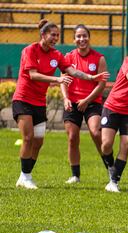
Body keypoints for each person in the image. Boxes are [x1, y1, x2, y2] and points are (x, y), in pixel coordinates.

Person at [13, 19, 109, 189]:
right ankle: (25, 176)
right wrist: (57, 79)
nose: (55, 38)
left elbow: (70, 71)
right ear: (43, 34)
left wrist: (90, 77)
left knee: (38, 142)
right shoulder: (30, 50)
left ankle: (25, 176)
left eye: (57, 35)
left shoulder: (56, 55)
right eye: (52, 35)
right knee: (28, 138)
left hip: (39, 102)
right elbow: (33, 75)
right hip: (23, 99)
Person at [61, 24, 108, 184]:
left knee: (96, 133)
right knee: (72, 138)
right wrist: (66, 98)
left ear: (89, 37)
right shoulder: (68, 57)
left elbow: (101, 85)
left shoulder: (99, 58)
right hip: (72, 103)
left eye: (84, 36)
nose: (82, 39)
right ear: (74, 39)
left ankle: (111, 169)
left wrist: (87, 100)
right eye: (78, 36)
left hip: (92, 102)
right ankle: (75, 175)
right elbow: (63, 80)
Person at [100, 55, 128, 192]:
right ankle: (111, 167)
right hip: (113, 106)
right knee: (106, 144)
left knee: (126, 145)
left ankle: (114, 181)